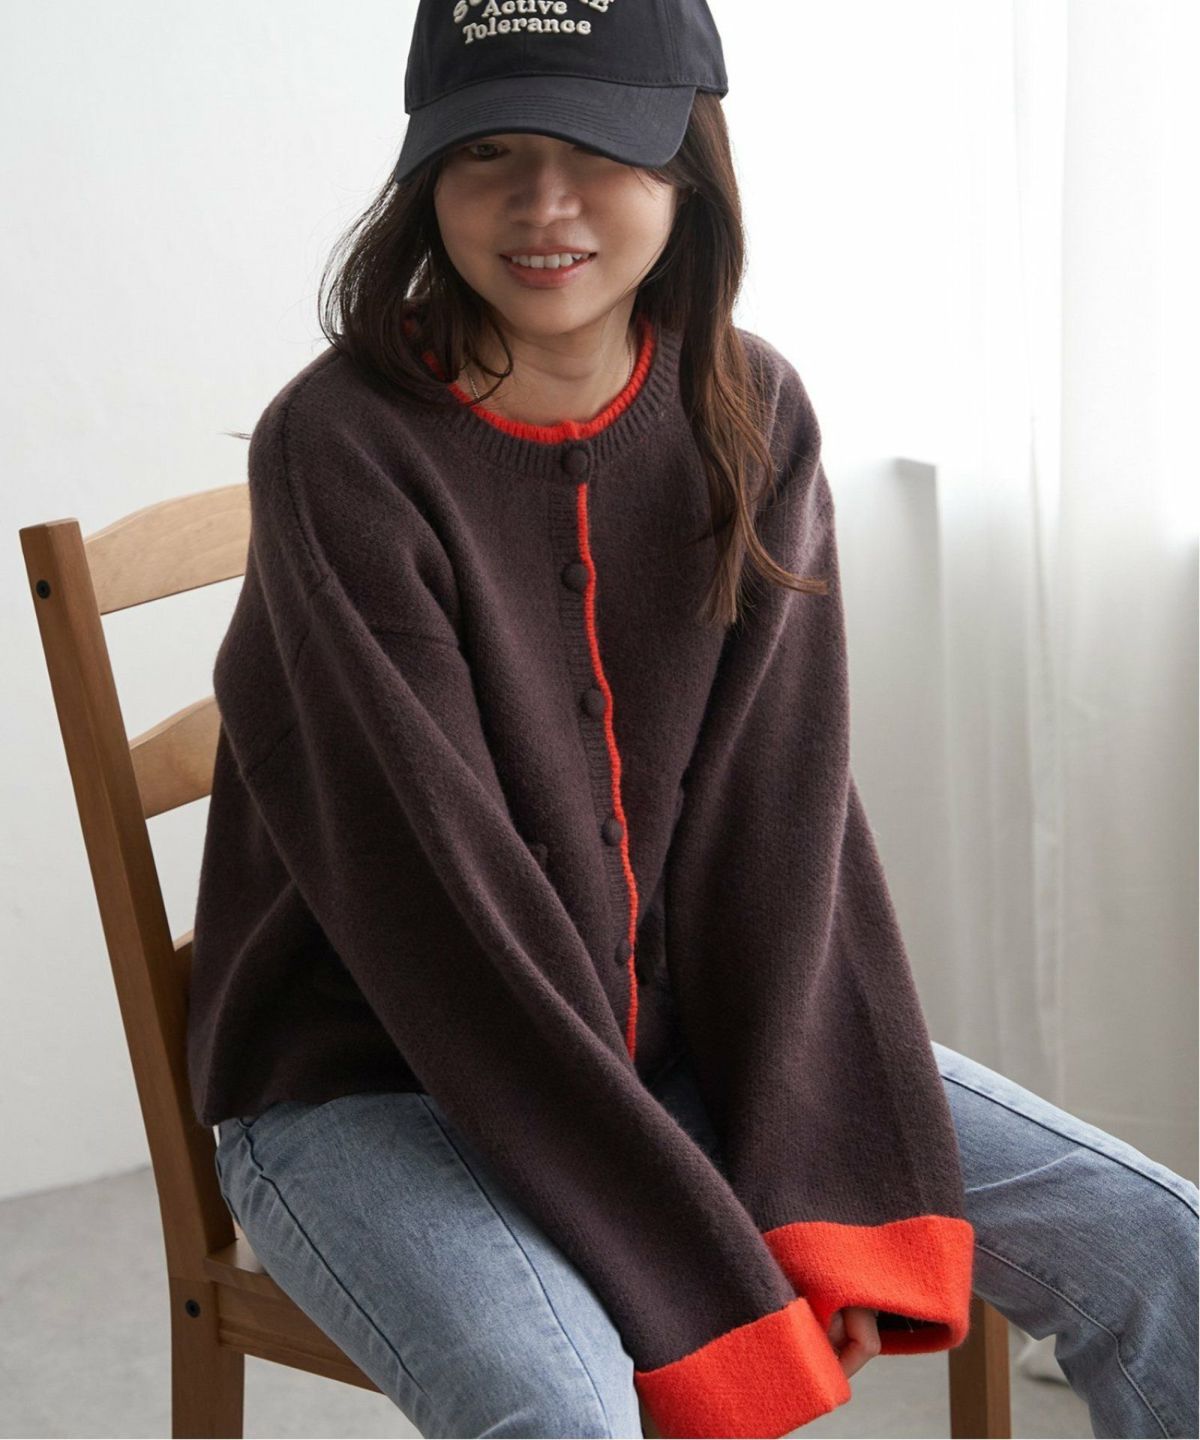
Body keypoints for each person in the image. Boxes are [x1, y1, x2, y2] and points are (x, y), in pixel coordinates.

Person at [193, 2, 1199, 1436]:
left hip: (687, 1048)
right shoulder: (339, 446)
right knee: (559, 1412)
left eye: (598, 150)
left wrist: (818, 1179)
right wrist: (711, 1265)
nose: (543, 206)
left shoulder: (750, 408)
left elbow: (781, 830)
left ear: (687, 165)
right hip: (371, 1084)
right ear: (426, 174)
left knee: (1165, 1248)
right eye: (488, 152)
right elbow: (443, 908)